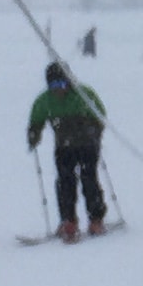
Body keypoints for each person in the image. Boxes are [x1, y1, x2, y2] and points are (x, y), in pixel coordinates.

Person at [26, 59, 109, 239]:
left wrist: (95, 129)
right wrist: (34, 133)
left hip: (87, 145)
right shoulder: (45, 100)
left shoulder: (83, 94)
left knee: (89, 180)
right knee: (65, 182)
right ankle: (68, 221)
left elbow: (100, 113)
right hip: (63, 147)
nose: (58, 89)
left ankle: (96, 219)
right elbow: (36, 118)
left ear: (69, 81)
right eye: (53, 85)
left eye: (62, 83)